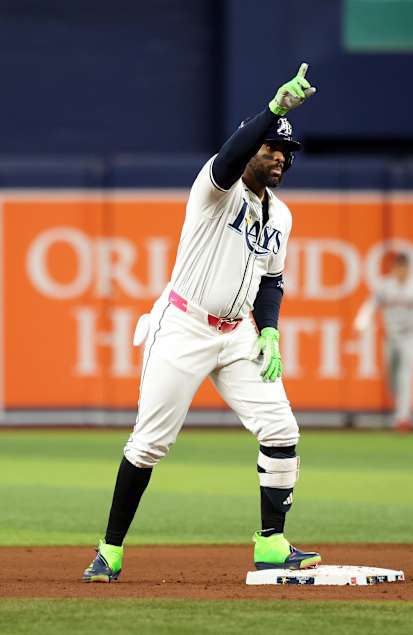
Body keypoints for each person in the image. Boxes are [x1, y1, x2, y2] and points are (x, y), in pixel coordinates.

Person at [83, 63, 321, 582]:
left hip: (237, 333)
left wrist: (271, 328)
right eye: (270, 147)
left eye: (286, 152)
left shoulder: (281, 216)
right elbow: (231, 154)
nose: (279, 156)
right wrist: (275, 111)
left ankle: (272, 543)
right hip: (184, 325)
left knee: (281, 429)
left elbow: (271, 280)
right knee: (150, 443)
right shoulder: (216, 188)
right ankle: (110, 549)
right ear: (250, 147)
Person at [353, 252, 413, 432]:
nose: (401, 271)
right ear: (393, 269)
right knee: (392, 377)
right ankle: (400, 410)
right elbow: (371, 305)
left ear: (409, 268)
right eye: (398, 267)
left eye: (404, 267)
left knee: (406, 375)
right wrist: (361, 322)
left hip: (412, 338)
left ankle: (403, 419)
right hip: (391, 338)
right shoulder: (385, 286)